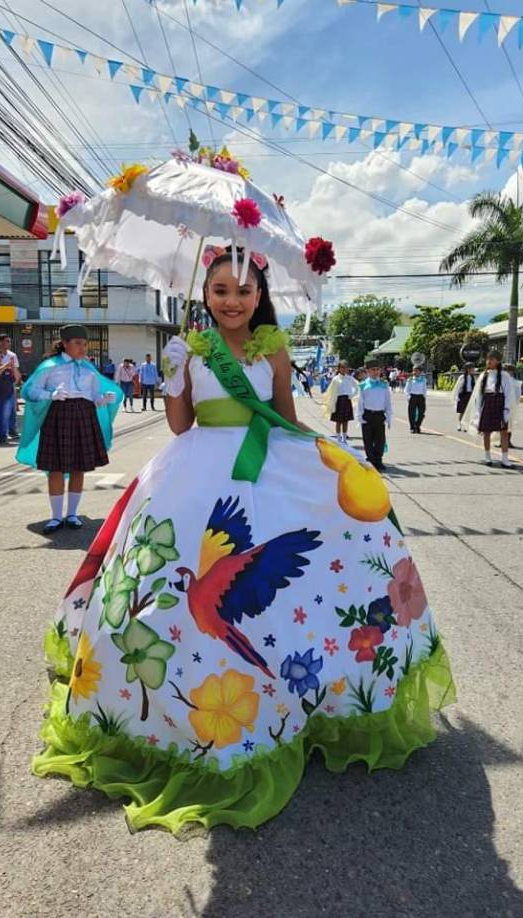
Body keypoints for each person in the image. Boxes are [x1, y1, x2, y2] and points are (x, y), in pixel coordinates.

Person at [31, 246, 454, 836]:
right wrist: (176, 373)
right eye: (221, 291)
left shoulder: (273, 350)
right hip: (194, 471)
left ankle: (294, 695)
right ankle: (173, 714)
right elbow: (180, 425)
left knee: (291, 587)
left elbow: (285, 418)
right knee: (166, 589)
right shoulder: (193, 348)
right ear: (205, 296)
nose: (232, 301)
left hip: (266, 469)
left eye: (244, 291)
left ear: (260, 297)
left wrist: (334, 461)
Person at [16, 325, 121, 533]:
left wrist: (103, 400)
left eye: (84, 344)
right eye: (77, 343)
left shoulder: (88, 368)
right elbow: (31, 391)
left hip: (84, 415)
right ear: (64, 343)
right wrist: (50, 395)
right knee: (55, 467)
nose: (82, 348)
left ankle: (72, 514)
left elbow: (93, 396)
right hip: (58, 415)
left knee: (78, 467)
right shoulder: (50, 366)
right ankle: (55, 517)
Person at [467, 350, 514, 469]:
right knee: (486, 432)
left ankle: (505, 459)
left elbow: (509, 394)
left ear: (498, 361)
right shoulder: (484, 375)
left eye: (492, 359)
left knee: (504, 432)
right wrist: (478, 410)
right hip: (487, 403)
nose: (489, 361)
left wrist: (507, 409)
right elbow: (479, 395)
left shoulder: (504, 376)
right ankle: (488, 457)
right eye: (488, 359)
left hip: (500, 404)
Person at [357, 357, 392, 471]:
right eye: (373, 369)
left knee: (380, 439)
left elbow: (387, 401)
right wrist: (360, 416)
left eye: (377, 369)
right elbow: (360, 402)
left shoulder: (384, 384)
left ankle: (379, 460)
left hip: (379, 415)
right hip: (367, 414)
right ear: (367, 371)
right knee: (367, 439)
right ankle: (371, 460)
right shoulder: (362, 385)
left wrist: (389, 415)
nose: (375, 372)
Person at [324, 361, 358, 443]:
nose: (344, 369)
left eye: (345, 367)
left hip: (347, 400)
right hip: (338, 401)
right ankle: (338, 438)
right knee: (338, 421)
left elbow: (357, 386)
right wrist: (331, 402)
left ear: (347, 369)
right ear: (338, 369)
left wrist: (352, 395)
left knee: (346, 421)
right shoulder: (335, 379)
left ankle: (344, 438)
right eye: (342, 367)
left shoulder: (350, 378)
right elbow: (331, 391)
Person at [0, 335, 21, 439]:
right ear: (0, 342)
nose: (9, 343)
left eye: (9, 341)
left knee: (11, 408)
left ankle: (12, 430)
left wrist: (17, 382)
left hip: (9, 383)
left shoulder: (12, 355)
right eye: (7, 341)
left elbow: (16, 369)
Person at [495, 364, 522, 449]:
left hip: (505, 404)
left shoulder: (509, 382)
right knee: (508, 424)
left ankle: (503, 441)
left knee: (504, 424)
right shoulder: (515, 382)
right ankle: (506, 441)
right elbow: (518, 396)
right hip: (511, 405)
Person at [453, 362, 476, 431]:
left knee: (468, 411)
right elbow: (457, 387)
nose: (473, 370)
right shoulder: (462, 377)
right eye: (472, 368)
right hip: (463, 395)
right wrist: (457, 397)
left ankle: (466, 425)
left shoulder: (472, 377)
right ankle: (459, 424)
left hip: (470, 395)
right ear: (467, 369)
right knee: (462, 411)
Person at [404, 365, 427, 433]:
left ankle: (417, 425)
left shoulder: (423, 379)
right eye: (414, 370)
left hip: (420, 397)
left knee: (421, 413)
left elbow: (424, 389)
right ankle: (412, 427)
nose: (414, 372)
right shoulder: (410, 379)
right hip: (413, 396)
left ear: (420, 372)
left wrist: (424, 396)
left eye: (416, 370)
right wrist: (408, 397)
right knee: (412, 413)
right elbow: (406, 390)